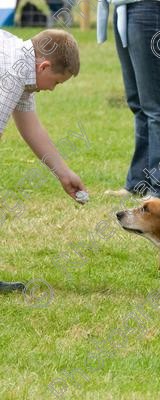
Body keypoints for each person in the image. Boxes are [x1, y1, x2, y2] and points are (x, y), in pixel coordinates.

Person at [0, 29, 87, 292]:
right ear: (44, 65)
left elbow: (30, 125)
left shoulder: (24, 62)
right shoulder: (12, 72)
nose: (51, 89)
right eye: (56, 82)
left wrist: (63, 172)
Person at [97, 0, 160, 202]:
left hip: (149, 9)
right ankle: (140, 182)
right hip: (126, 7)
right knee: (139, 103)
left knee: (159, 105)